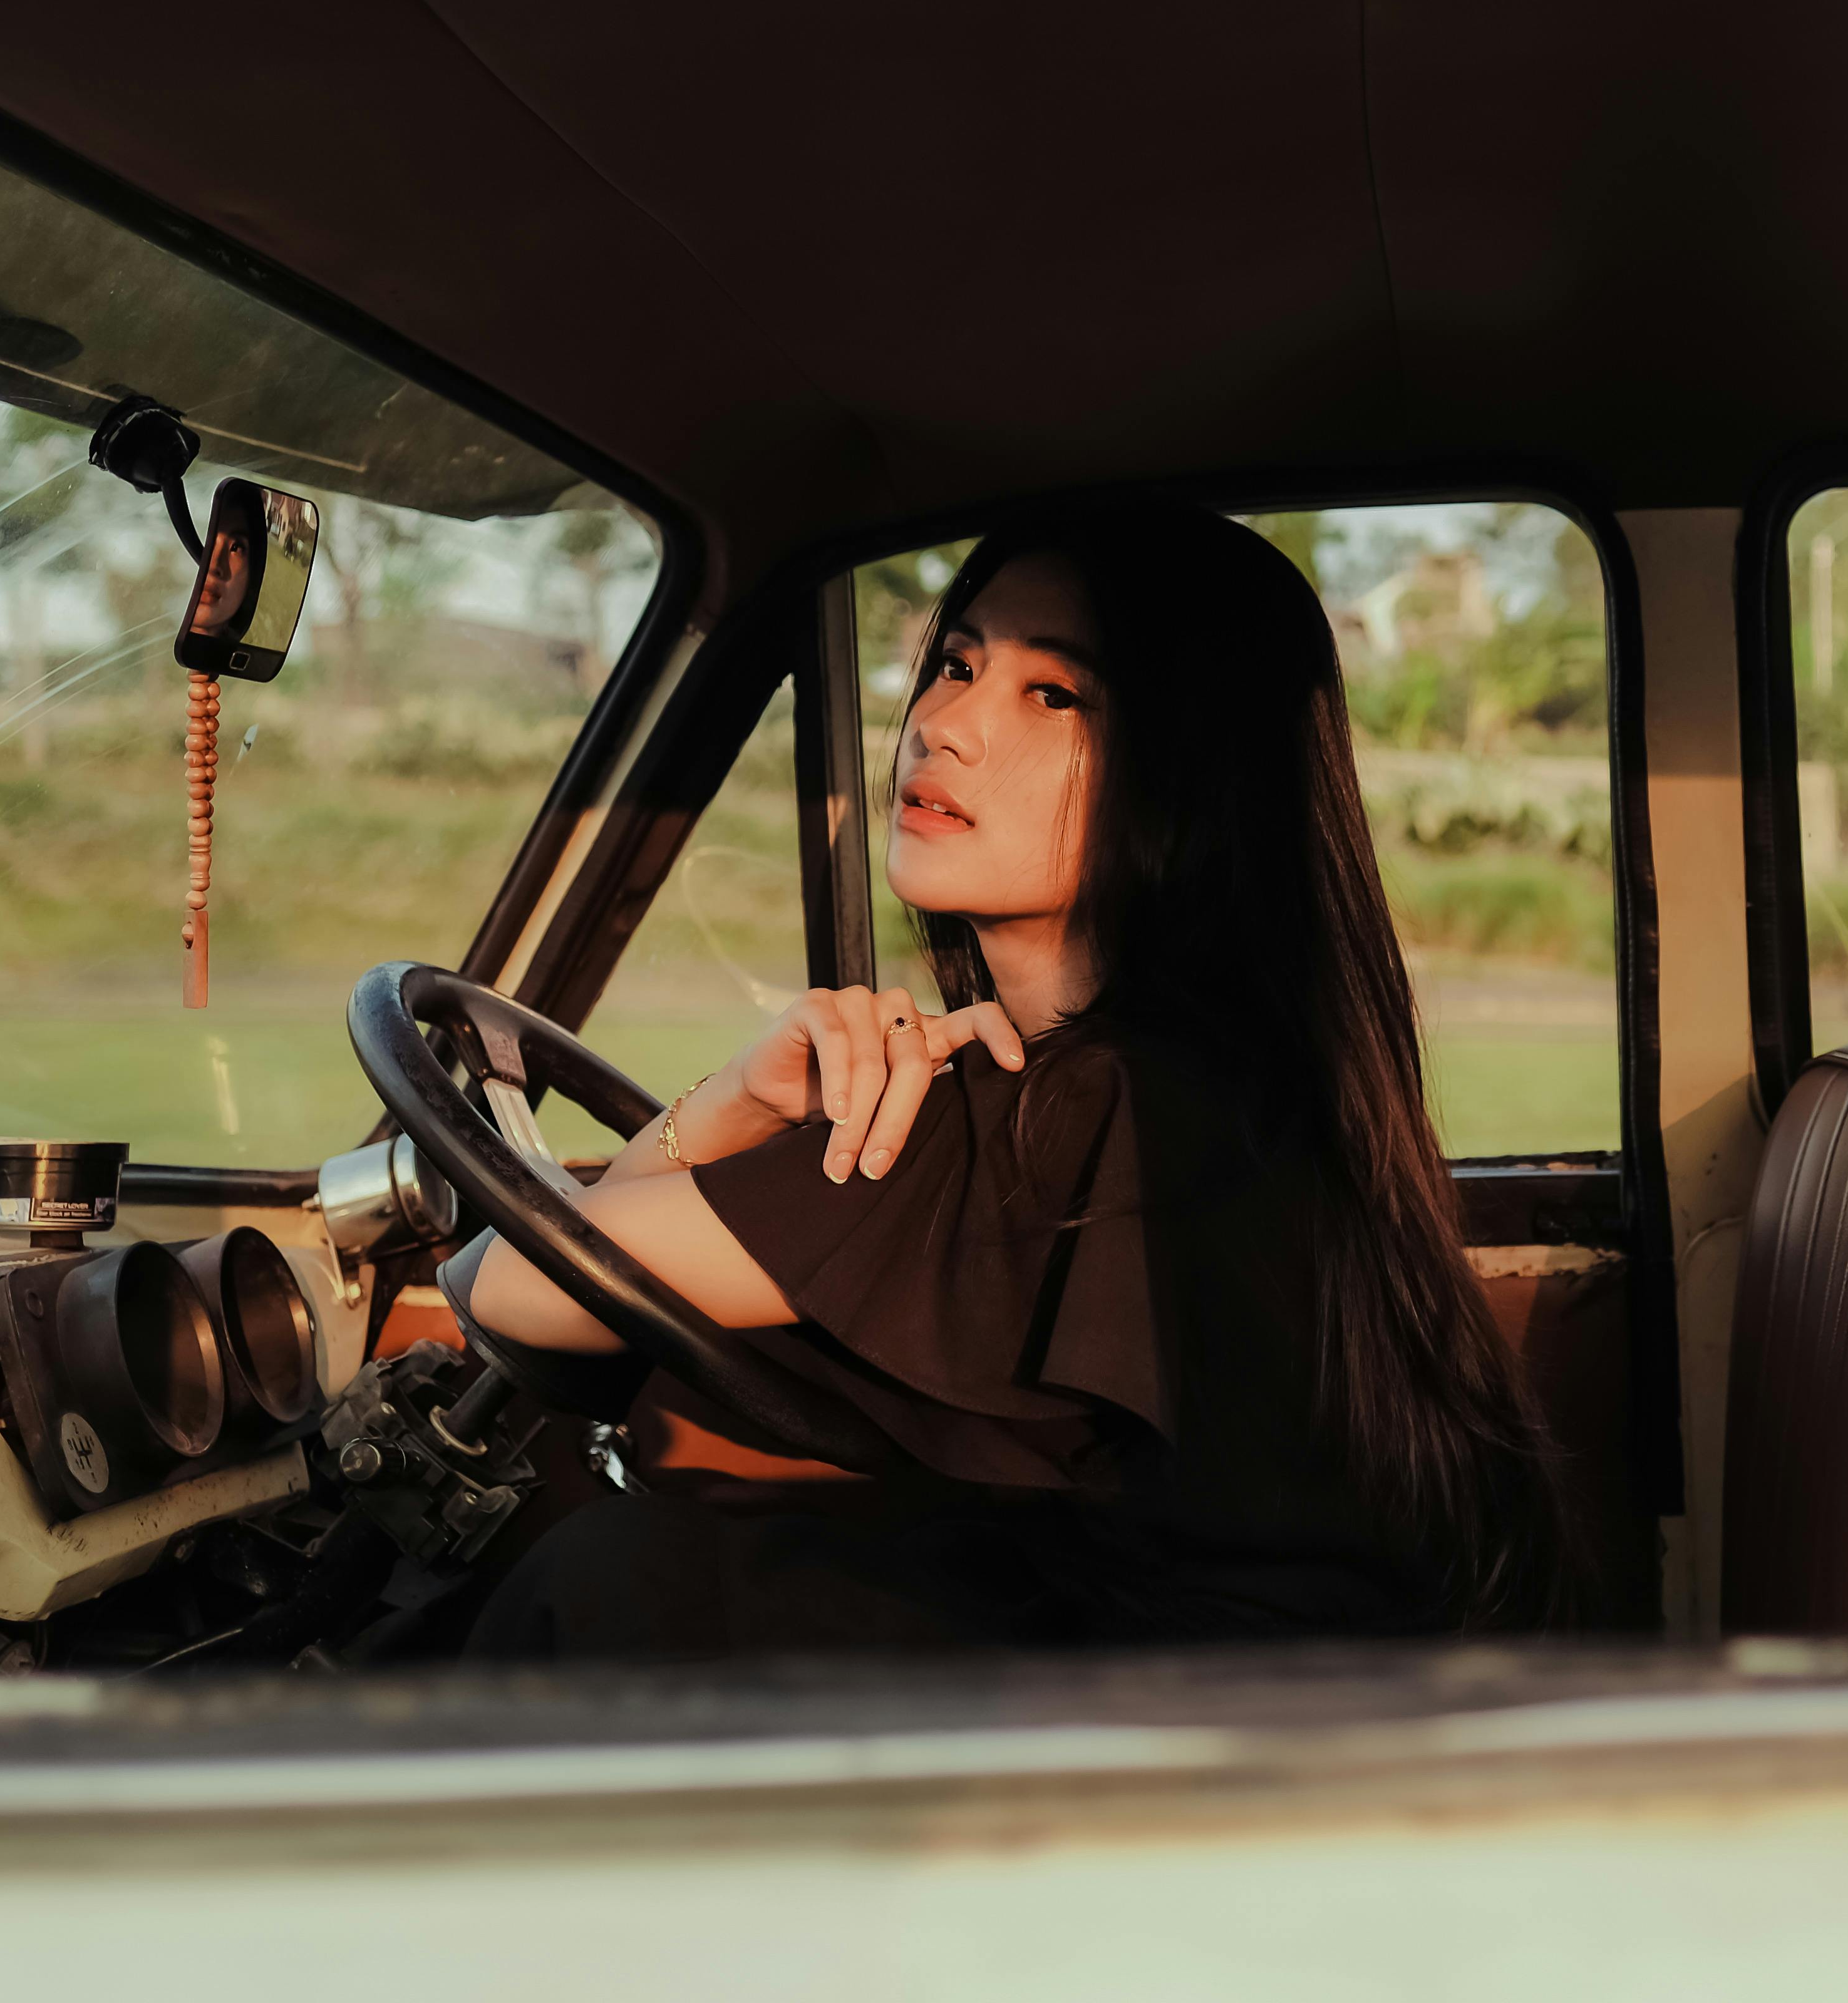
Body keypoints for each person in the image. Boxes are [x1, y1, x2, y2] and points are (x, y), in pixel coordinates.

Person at [459, 500, 1568, 1655]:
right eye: (956, 661)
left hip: (1169, 1761)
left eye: (1055, 694)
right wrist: (754, 1100)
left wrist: (735, 1101)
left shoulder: (1063, 1117)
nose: (946, 724)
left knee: (608, 1581)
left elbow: (509, 1289)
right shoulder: (1227, 1086)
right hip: (1243, 1711)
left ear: (1186, 785)